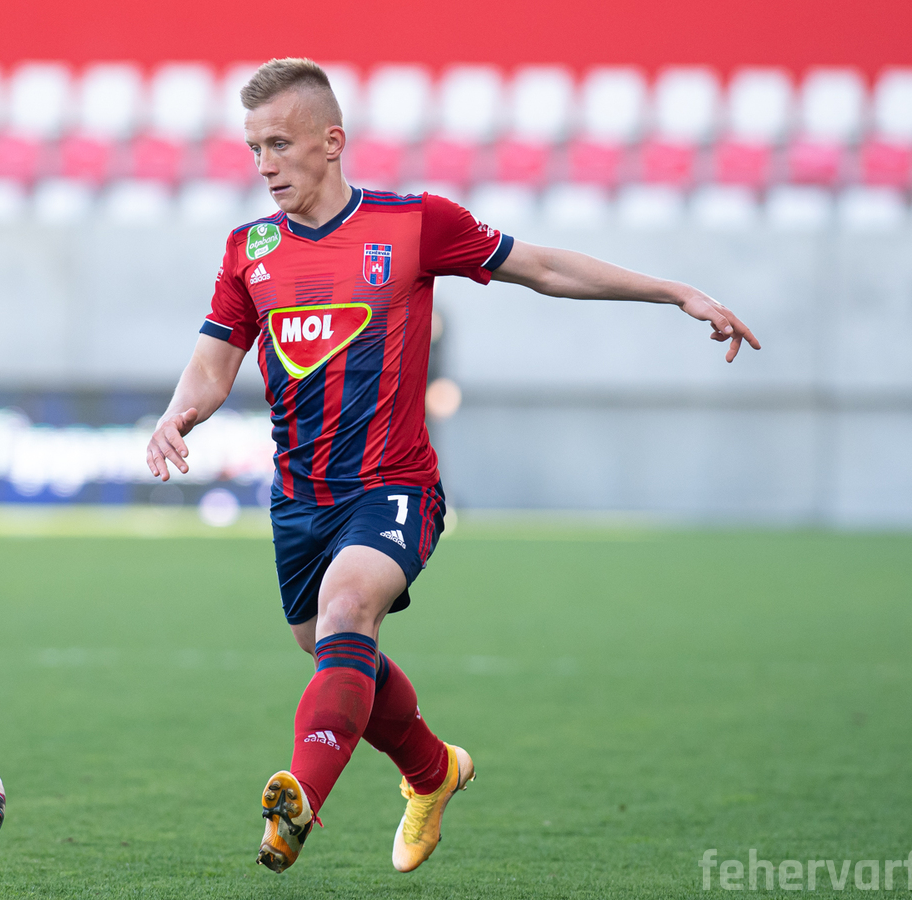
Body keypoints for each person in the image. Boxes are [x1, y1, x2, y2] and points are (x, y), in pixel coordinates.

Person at [144, 58, 760, 875]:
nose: (265, 165)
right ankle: (432, 771)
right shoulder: (248, 249)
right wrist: (177, 413)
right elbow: (213, 362)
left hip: (395, 485)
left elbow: (543, 269)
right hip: (298, 498)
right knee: (328, 645)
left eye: (280, 144)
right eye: (255, 148)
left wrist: (673, 290)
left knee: (347, 606)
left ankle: (299, 800)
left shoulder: (414, 224)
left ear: (331, 142)